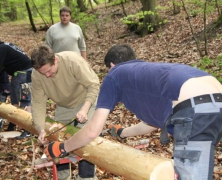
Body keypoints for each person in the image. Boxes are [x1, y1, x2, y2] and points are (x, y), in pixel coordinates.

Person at [45, 44, 222, 180]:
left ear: (112, 65)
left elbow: (92, 131)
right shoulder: (148, 73)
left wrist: (63, 147)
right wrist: (123, 133)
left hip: (195, 109)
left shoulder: (114, 75)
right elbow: (151, 123)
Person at [30, 45, 100, 180]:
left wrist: (84, 109)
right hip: (64, 106)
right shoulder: (37, 74)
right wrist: (41, 130)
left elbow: (93, 85)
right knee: (57, 137)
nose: (47, 76)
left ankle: (86, 177)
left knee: (85, 138)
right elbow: (38, 103)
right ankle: (63, 177)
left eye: (49, 71)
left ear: (55, 60)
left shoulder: (73, 61)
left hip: (86, 100)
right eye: (43, 73)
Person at [0, 38, 32, 139]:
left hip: (24, 72)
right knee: (14, 100)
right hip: (18, 73)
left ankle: (29, 129)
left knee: (25, 101)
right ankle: (13, 123)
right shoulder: (0, 47)